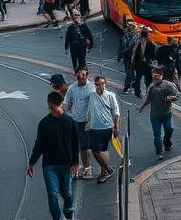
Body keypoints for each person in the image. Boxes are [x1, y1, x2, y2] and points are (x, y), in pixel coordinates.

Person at [27, 91, 80, 220]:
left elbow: (75, 144)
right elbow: (39, 145)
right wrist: (31, 162)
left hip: (66, 164)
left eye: (54, 105)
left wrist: (75, 163)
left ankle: (68, 207)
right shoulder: (44, 124)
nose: (53, 108)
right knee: (53, 194)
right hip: (49, 166)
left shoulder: (70, 122)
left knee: (67, 193)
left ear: (50, 104)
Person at [138, 66, 179, 160]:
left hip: (166, 114)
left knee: (170, 129)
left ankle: (167, 142)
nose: (155, 77)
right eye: (153, 75)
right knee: (157, 135)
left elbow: (176, 95)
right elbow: (148, 99)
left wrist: (171, 98)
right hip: (154, 115)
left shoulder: (168, 85)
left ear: (161, 75)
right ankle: (160, 152)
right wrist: (142, 107)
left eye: (157, 75)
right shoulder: (151, 86)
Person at [64, 68, 96, 180]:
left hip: (86, 121)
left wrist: (91, 119)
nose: (80, 77)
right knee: (73, 146)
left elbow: (95, 104)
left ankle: (87, 169)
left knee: (85, 147)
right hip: (74, 120)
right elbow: (67, 103)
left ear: (87, 76)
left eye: (82, 75)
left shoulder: (92, 88)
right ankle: (74, 168)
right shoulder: (72, 88)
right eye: (78, 76)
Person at [87, 75, 119, 184]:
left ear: (105, 83)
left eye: (102, 83)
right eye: (98, 84)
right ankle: (107, 169)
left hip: (107, 126)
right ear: (95, 85)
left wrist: (116, 127)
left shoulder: (111, 95)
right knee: (96, 151)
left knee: (104, 150)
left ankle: (105, 171)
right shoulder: (91, 95)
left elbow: (116, 112)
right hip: (95, 127)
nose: (100, 86)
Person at [129, 27, 154, 98]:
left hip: (138, 64)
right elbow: (153, 56)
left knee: (138, 79)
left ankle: (137, 93)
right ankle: (149, 93)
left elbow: (133, 53)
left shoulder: (137, 43)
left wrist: (133, 62)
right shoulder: (151, 44)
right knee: (149, 79)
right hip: (147, 64)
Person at [118, 17, 139, 93]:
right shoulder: (124, 35)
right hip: (127, 57)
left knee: (133, 73)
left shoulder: (137, 36)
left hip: (135, 57)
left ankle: (132, 86)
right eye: (128, 25)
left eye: (131, 25)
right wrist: (119, 55)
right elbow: (121, 46)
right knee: (129, 72)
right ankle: (127, 87)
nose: (129, 27)